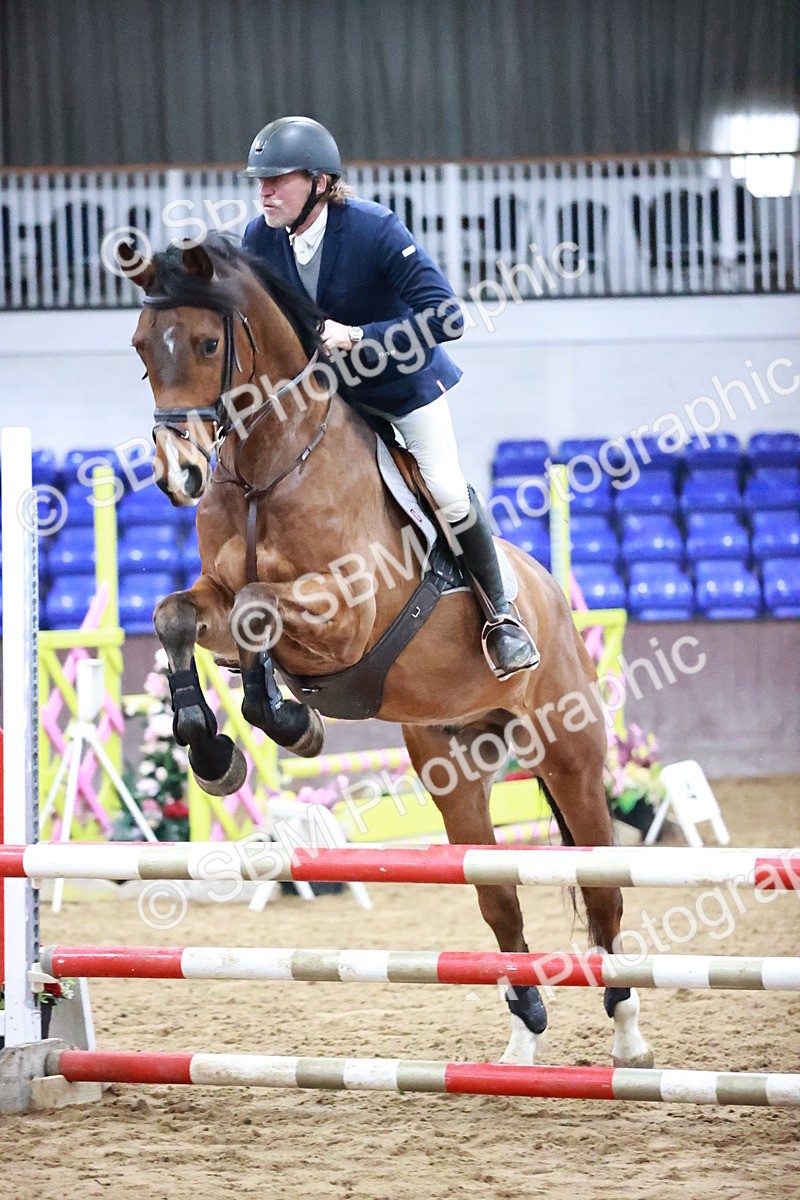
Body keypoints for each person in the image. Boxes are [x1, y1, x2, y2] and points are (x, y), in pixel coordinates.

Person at [240, 116, 539, 679]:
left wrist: (359, 336)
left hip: (401, 387)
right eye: (261, 180)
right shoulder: (259, 239)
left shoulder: (373, 229)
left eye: (278, 179)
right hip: (330, 398)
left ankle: (501, 615)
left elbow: (446, 316)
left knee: (445, 488)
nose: (265, 191)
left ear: (321, 183)